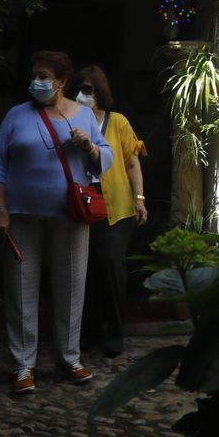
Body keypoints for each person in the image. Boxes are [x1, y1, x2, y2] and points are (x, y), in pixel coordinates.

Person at [0, 50, 113, 395]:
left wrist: (90, 148)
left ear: (62, 81)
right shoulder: (16, 115)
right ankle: (23, 364)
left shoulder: (84, 116)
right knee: (21, 287)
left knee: (72, 285)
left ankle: (69, 357)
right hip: (22, 214)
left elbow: (105, 158)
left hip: (71, 215)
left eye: (43, 76)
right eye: (35, 75)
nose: (37, 81)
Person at [73, 65, 149, 358]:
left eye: (89, 89)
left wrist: (140, 198)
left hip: (117, 207)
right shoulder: (69, 120)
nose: (83, 95)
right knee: (85, 270)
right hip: (81, 205)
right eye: (79, 88)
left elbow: (132, 162)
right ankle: (89, 333)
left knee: (111, 263)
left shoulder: (117, 122)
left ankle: (116, 332)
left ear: (100, 92)